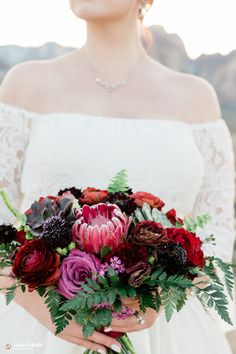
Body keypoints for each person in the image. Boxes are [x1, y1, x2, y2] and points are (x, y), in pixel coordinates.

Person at [0, 0, 235, 353]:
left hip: (172, 333)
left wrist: (162, 293)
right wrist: (40, 308)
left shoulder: (197, 99)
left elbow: (216, 233)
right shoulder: (25, 84)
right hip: (38, 330)